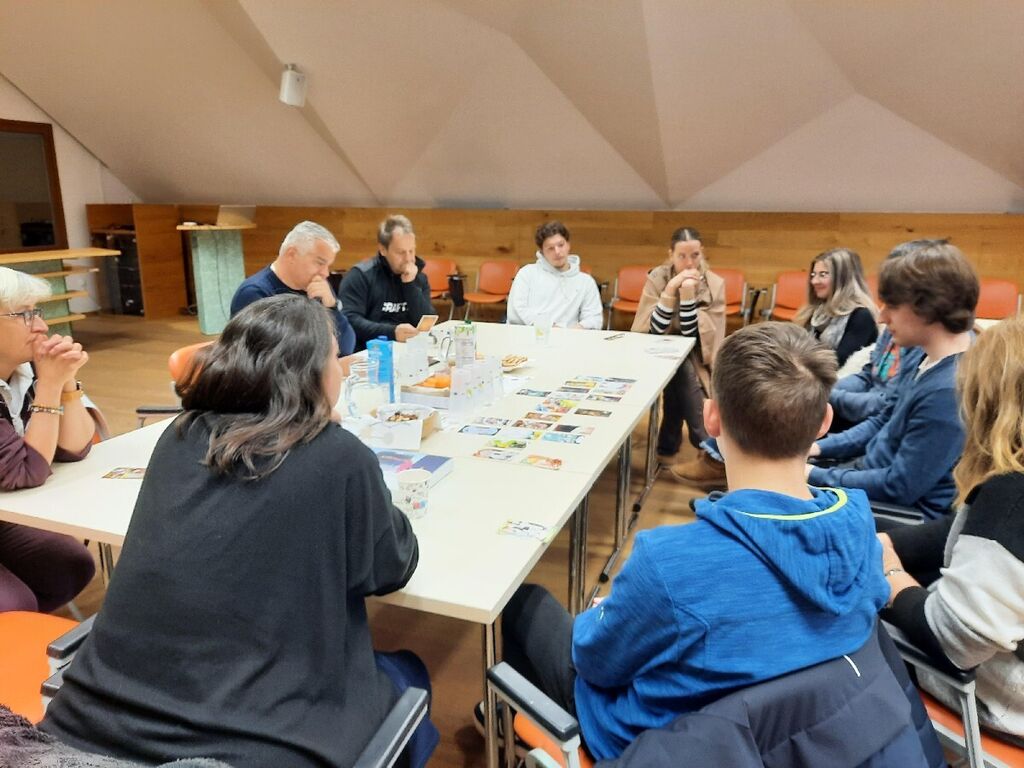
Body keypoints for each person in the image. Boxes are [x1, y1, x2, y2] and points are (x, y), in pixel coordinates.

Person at [41, 295, 438, 768]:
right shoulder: (339, 457)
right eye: (336, 359)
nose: (342, 371)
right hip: (264, 743)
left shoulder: (179, 435)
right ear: (315, 374)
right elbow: (391, 569)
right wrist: (340, 446)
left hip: (94, 720)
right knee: (410, 672)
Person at [498, 322, 888, 761]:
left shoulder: (668, 562)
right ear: (824, 422)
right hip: (795, 741)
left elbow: (594, 661)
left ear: (710, 418)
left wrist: (607, 614)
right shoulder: (858, 521)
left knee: (521, 603)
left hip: (648, 743)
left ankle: (507, 726)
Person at [880, 317, 1024, 745]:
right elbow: (969, 536)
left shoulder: (1012, 495)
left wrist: (890, 574)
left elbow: (955, 642)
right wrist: (888, 542)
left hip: (1000, 702)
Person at [808, 242, 978, 520]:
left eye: (893, 306)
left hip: (897, 514)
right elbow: (882, 421)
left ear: (927, 308)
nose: (882, 316)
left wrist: (814, 475)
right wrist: (816, 449)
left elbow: (898, 487)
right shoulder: (923, 357)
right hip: (868, 481)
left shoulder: (948, 390)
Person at [0, 267, 96, 612]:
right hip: (9, 500)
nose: (41, 325)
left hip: (6, 509)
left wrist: (66, 381)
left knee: (70, 565)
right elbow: (23, 472)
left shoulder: (26, 370)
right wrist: (51, 386)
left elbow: (75, 448)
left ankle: (24, 634)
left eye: (37, 312)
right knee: (14, 605)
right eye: (24, 315)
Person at [631, 228, 726, 484]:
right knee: (679, 370)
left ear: (702, 253)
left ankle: (688, 449)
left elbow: (693, 334)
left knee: (683, 368)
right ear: (670, 255)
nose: (689, 263)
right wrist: (671, 287)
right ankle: (704, 450)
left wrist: (687, 294)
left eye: (695, 255)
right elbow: (652, 329)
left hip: (695, 355)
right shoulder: (657, 278)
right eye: (682, 256)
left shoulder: (714, 283)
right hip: (655, 351)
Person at [829, 241, 940, 431]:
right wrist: (827, 390)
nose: (881, 317)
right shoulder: (893, 329)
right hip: (864, 414)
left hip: (873, 421)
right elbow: (868, 375)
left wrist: (828, 395)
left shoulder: (924, 345)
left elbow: (885, 407)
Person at [230, 220, 356, 356]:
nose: (325, 273)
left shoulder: (319, 288)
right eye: (320, 263)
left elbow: (347, 347)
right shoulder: (254, 293)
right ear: (292, 254)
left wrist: (331, 307)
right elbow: (270, 357)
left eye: (328, 266)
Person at [338, 214, 435, 351]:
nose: (408, 259)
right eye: (400, 252)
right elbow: (350, 320)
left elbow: (426, 320)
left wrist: (409, 285)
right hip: (370, 351)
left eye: (411, 251)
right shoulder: (360, 276)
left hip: (410, 350)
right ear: (383, 249)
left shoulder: (419, 277)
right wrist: (391, 332)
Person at [507, 221, 603, 329]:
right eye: (550, 248)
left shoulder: (586, 282)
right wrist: (548, 327)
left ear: (568, 245)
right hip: (532, 334)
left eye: (561, 245)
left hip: (569, 336)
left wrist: (580, 327)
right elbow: (516, 312)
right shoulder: (526, 274)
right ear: (542, 252)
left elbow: (594, 318)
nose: (557, 252)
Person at [793, 247, 878, 368]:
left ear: (843, 279)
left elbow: (839, 362)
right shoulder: (815, 312)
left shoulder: (861, 316)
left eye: (823, 275)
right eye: (813, 274)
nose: (814, 281)